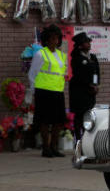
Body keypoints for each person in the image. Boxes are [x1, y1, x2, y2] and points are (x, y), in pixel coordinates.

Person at [27, 24, 69, 158]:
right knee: (44, 121)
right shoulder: (40, 54)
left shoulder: (62, 56)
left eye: (57, 38)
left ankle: (54, 147)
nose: (54, 41)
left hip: (57, 91)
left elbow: (63, 73)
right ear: (46, 40)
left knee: (58, 121)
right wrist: (33, 91)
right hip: (43, 91)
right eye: (52, 38)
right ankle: (46, 148)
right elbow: (32, 74)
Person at [69, 31, 100, 142]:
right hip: (79, 91)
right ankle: (78, 139)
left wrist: (96, 85)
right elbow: (79, 74)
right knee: (79, 116)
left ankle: (88, 139)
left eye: (89, 42)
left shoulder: (92, 57)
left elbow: (96, 72)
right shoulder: (76, 58)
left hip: (90, 92)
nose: (89, 44)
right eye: (86, 42)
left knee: (88, 114)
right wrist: (89, 85)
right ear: (80, 45)